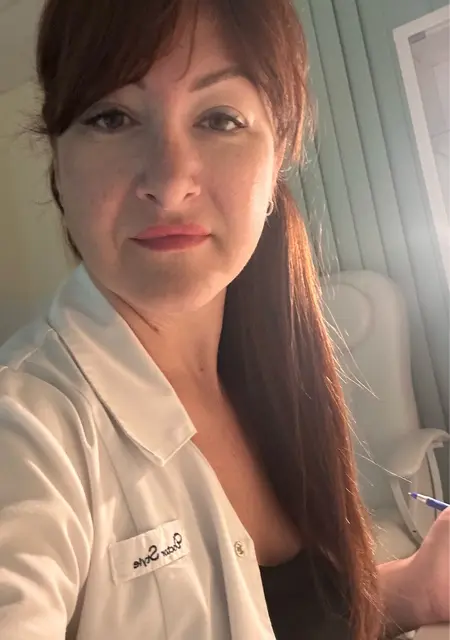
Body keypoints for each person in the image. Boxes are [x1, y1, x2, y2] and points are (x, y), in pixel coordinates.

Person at [0, 0, 448, 638]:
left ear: (278, 155)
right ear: (57, 162)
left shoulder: (273, 371)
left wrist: (414, 592)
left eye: (219, 119)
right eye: (111, 117)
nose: (169, 182)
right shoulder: (26, 429)